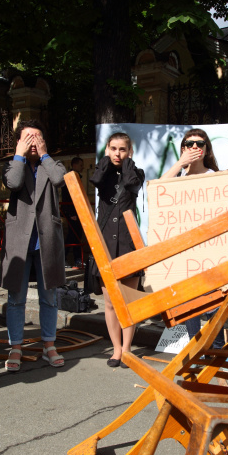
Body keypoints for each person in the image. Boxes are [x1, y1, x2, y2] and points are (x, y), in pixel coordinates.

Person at [0, 120, 67, 371]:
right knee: (16, 297)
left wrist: (45, 153)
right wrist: (19, 155)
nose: (33, 142)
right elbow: (14, 183)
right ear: (18, 142)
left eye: (37, 137)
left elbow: (61, 179)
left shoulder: (51, 165)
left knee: (48, 297)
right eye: (27, 138)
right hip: (20, 240)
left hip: (45, 240)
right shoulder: (12, 166)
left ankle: (49, 344)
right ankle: (15, 346)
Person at [162, 129, 224, 346]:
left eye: (200, 143)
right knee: (190, 305)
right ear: (183, 148)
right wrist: (180, 164)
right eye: (190, 144)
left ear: (206, 149)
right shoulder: (177, 177)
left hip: (211, 251)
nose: (195, 147)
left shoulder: (214, 176)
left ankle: (216, 354)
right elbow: (158, 191)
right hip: (185, 253)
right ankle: (195, 350)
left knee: (216, 304)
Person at [89, 132, 144, 368]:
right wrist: (106, 160)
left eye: (123, 149)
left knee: (128, 301)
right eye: (113, 149)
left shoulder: (136, 172)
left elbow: (132, 184)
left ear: (129, 151)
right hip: (106, 245)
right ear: (107, 150)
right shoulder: (103, 172)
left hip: (127, 242)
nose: (117, 154)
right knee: (111, 302)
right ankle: (116, 349)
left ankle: (129, 348)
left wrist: (128, 161)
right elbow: (96, 180)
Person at [61, 156, 85, 267]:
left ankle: (76, 259)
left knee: (76, 235)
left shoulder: (76, 176)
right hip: (72, 211)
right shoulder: (70, 177)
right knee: (73, 235)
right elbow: (68, 196)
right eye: (81, 165)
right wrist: (71, 213)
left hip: (76, 210)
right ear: (74, 165)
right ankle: (66, 258)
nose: (82, 167)